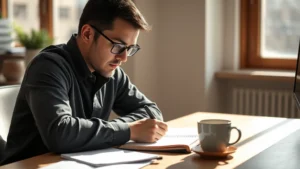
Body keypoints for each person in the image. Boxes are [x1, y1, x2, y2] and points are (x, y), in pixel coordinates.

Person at [0, 0, 168, 165]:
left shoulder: (113, 73)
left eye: (130, 48)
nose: (124, 58)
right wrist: (129, 130)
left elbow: (152, 112)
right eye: (118, 46)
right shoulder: (47, 67)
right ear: (87, 33)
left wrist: (126, 129)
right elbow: (60, 134)